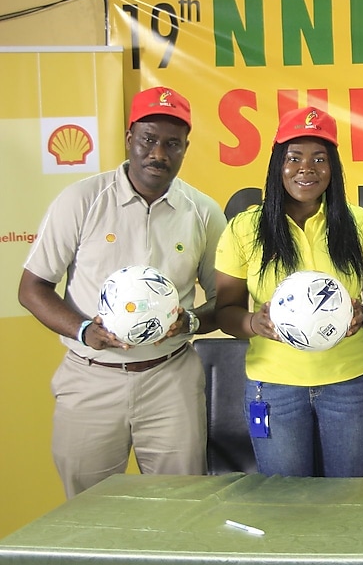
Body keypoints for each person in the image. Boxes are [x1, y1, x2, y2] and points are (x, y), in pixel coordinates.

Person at [18, 86, 227, 498]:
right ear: (129, 137)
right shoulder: (81, 200)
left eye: (172, 144)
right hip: (92, 375)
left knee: (180, 507)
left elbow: (227, 301)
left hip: (171, 378)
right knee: (87, 512)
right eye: (148, 139)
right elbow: (33, 288)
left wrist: (195, 320)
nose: (159, 154)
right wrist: (83, 330)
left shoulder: (203, 212)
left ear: (186, 147)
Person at [214, 106, 363, 478]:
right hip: (274, 387)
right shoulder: (245, 228)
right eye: (294, 157)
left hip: (349, 383)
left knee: (348, 499)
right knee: (287, 505)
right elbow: (226, 310)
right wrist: (251, 322)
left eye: (319, 159)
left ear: (333, 168)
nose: (306, 168)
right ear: (278, 164)